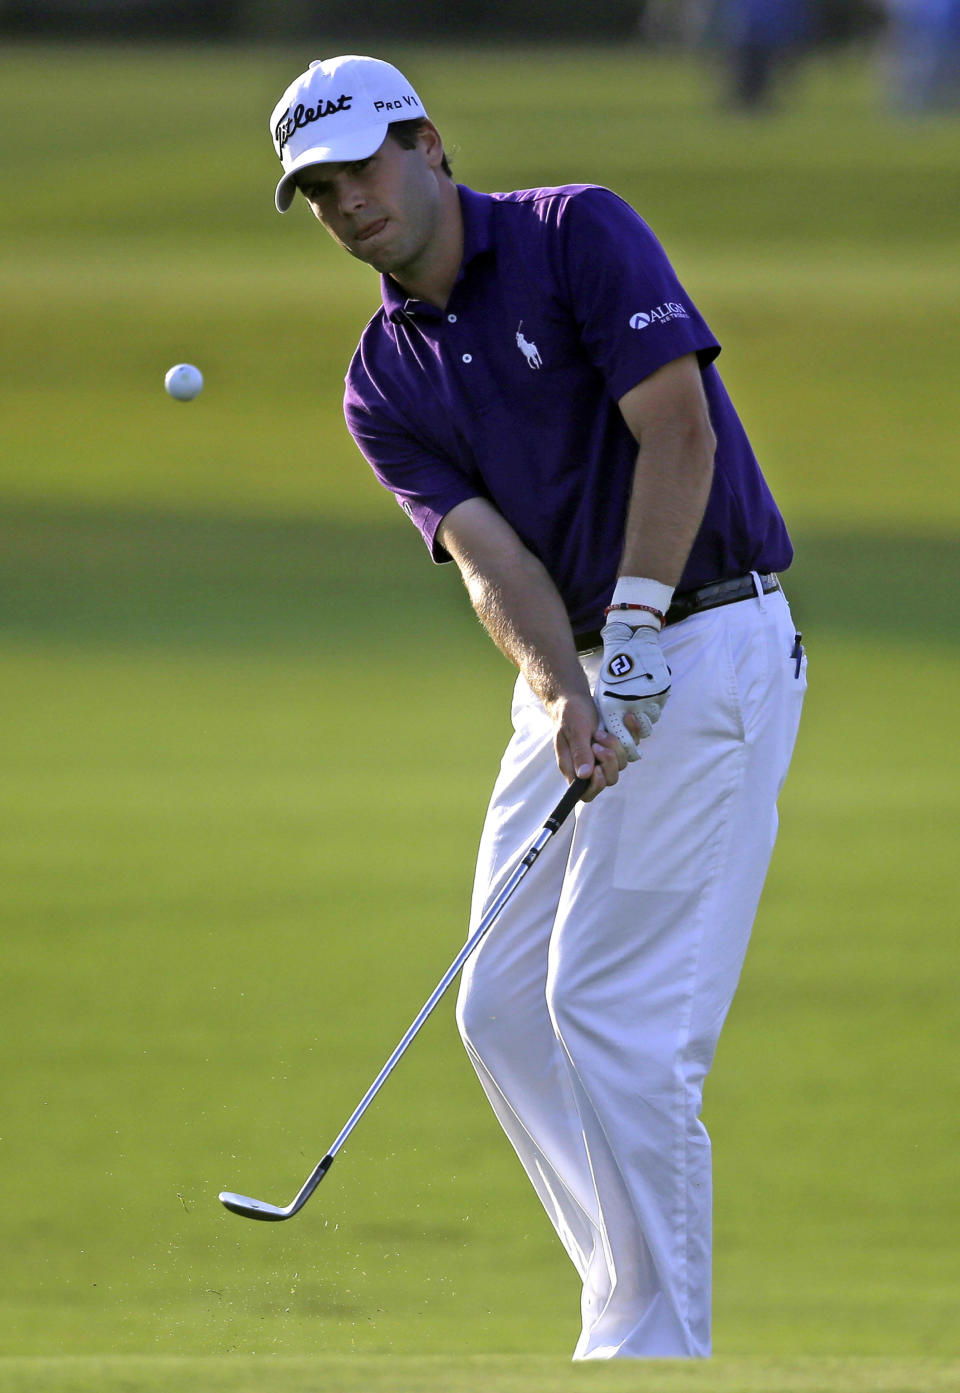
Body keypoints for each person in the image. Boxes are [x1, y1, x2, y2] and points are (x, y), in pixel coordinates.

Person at [268, 53, 807, 1360]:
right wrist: (565, 688)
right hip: (577, 666)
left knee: (612, 1014)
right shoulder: (380, 379)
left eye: (362, 169)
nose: (349, 204)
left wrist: (627, 636)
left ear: (430, 143)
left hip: (706, 630)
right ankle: (630, 1304)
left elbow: (680, 433)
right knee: (503, 1005)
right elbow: (490, 560)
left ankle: (649, 1348)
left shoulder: (577, 233)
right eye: (320, 191)